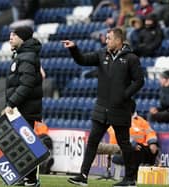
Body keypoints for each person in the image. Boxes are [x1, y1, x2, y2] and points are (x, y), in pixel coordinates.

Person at [63, 27, 144, 187]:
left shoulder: (131, 58)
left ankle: (130, 179)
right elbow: (82, 60)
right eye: (106, 38)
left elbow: (139, 81)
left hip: (120, 108)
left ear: (118, 40)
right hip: (101, 107)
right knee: (93, 141)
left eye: (109, 38)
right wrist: (74, 49)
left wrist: (124, 95)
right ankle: (83, 175)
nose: (106, 41)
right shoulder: (101, 54)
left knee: (124, 144)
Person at [5, 26, 42, 187]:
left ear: (22, 38)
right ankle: (26, 178)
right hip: (23, 108)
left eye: (14, 35)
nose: (10, 38)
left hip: (25, 109)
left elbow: (26, 84)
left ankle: (31, 180)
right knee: (22, 145)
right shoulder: (22, 55)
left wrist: (11, 103)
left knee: (24, 146)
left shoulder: (26, 56)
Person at [109, 101, 158, 180]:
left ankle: (148, 176)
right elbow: (116, 135)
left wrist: (152, 142)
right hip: (121, 150)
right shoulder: (117, 120)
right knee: (134, 152)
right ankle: (131, 177)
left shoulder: (141, 121)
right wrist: (131, 144)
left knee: (152, 150)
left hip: (140, 148)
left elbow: (150, 132)